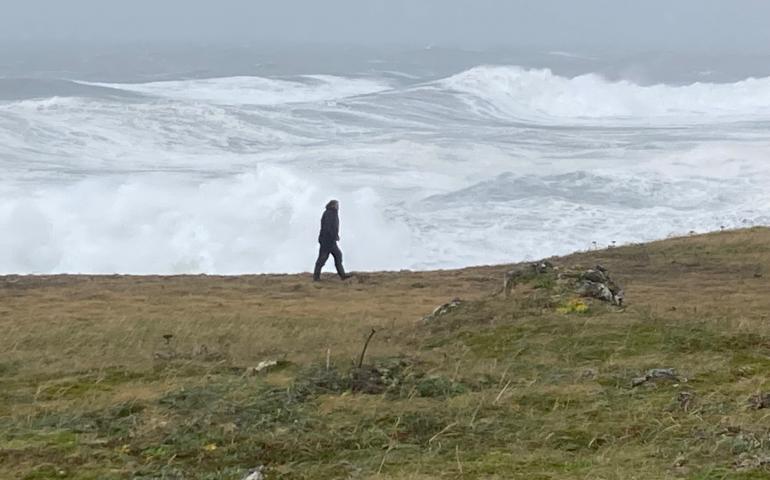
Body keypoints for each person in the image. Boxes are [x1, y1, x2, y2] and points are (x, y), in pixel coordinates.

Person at [313, 200, 351, 281]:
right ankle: (316, 277)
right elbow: (328, 227)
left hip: (329, 240)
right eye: (337, 204)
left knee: (337, 256)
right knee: (323, 259)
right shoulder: (330, 213)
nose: (338, 206)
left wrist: (335, 236)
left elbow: (332, 227)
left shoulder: (332, 213)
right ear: (332, 205)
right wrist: (334, 236)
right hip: (327, 240)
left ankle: (342, 275)